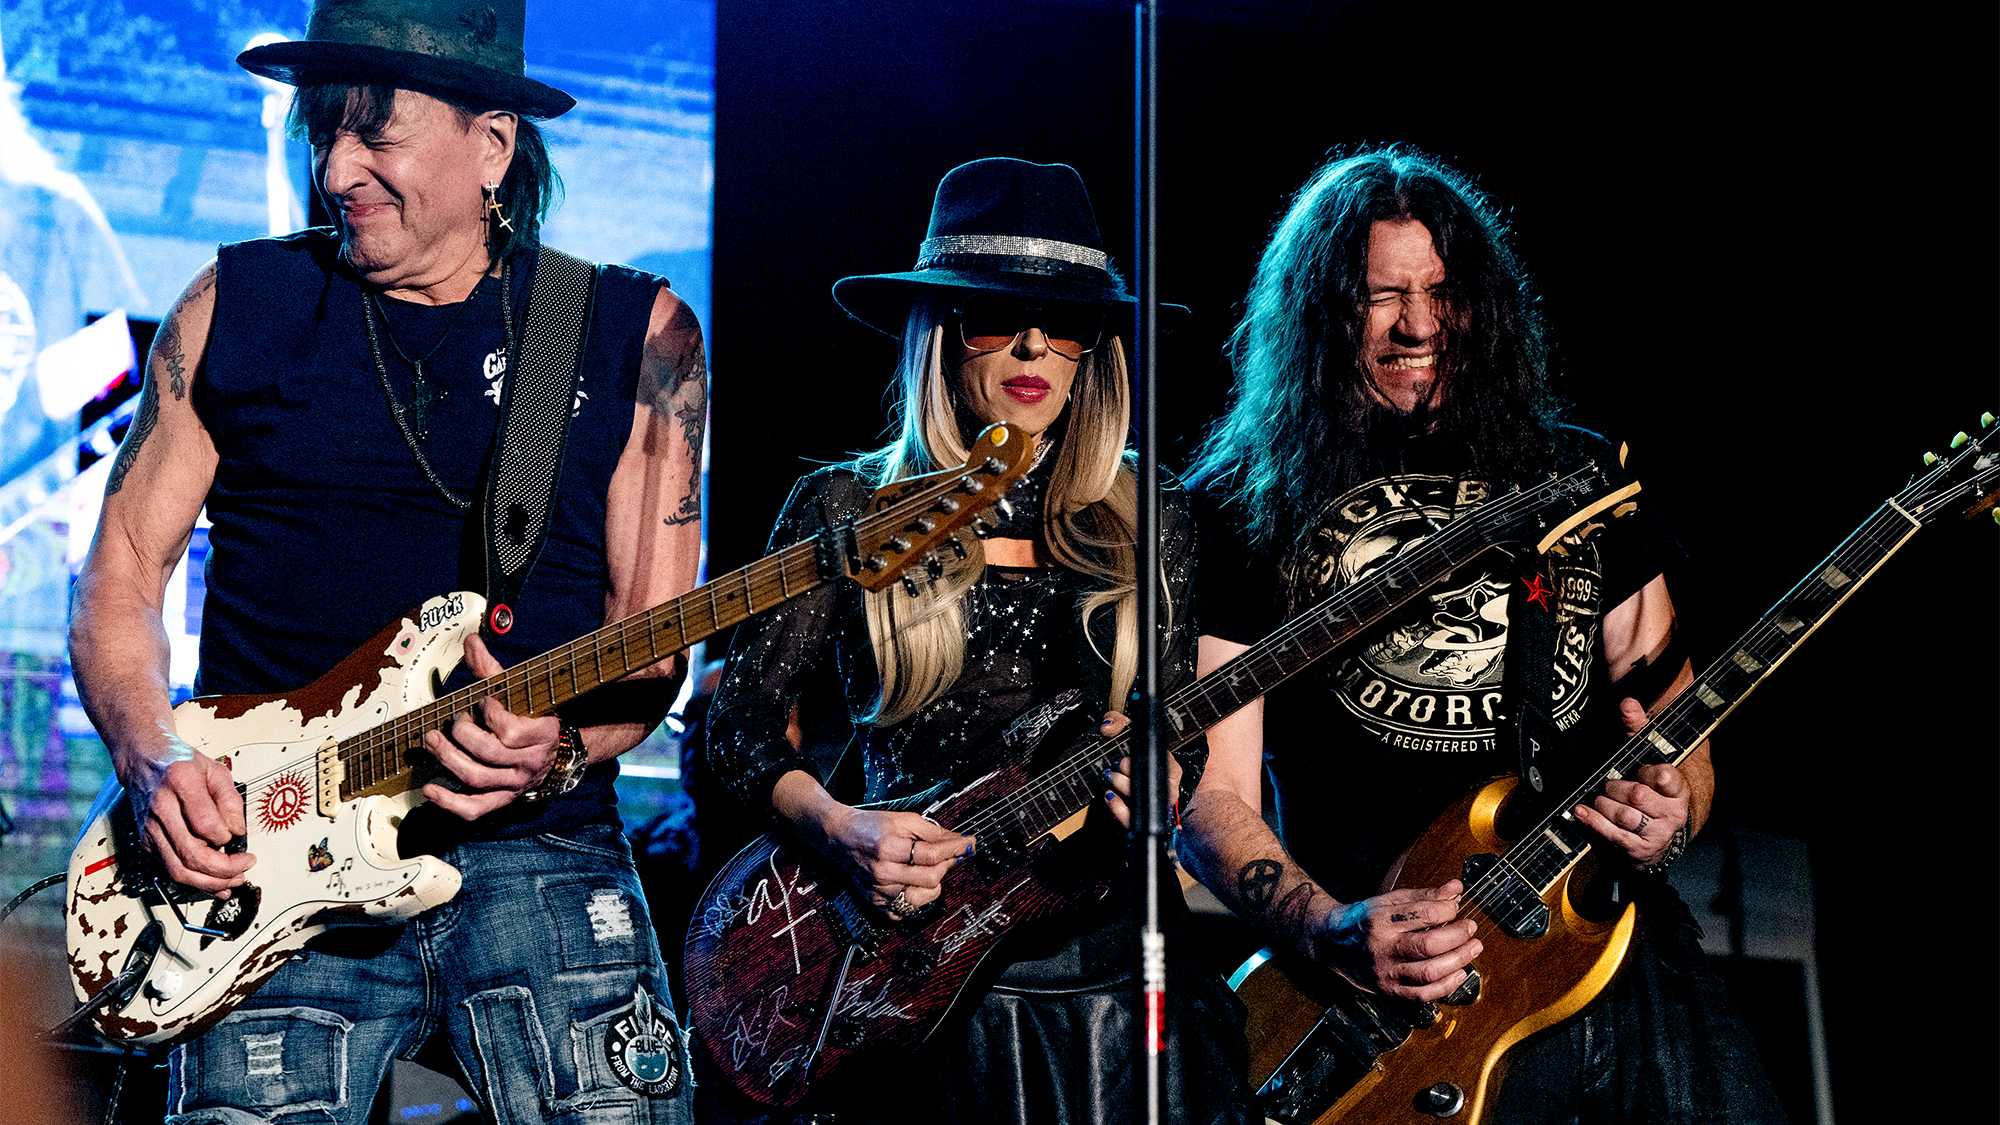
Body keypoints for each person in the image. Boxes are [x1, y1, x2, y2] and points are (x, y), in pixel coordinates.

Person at [66, 1, 704, 1121]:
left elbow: (652, 644)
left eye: (375, 132)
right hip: (262, 856)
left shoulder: (630, 331)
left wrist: (558, 750)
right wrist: (154, 753)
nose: (335, 169)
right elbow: (120, 563)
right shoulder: (235, 306)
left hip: (538, 852)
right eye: (322, 132)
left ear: (491, 144)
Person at [1179, 147, 1786, 1123]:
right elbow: (1209, 793)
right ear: (1315, 314)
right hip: (1403, 999)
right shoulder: (1240, 510)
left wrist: (1674, 809)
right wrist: (1328, 927)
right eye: (1381, 296)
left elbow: (1680, 729)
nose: (1419, 324)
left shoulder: (1581, 479)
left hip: (1616, 970)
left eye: (1442, 292)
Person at [702, 157, 1252, 1125]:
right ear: (940, 335)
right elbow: (735, 726)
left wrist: (1159, 775)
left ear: (1095, 350)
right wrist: (838, 828)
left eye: (1067, 323)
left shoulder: (1151, 511)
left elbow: (1176, 727)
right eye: (996, 316)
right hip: (897, 968)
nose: (1034, 342)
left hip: (1104, 983)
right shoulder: (846, 505)